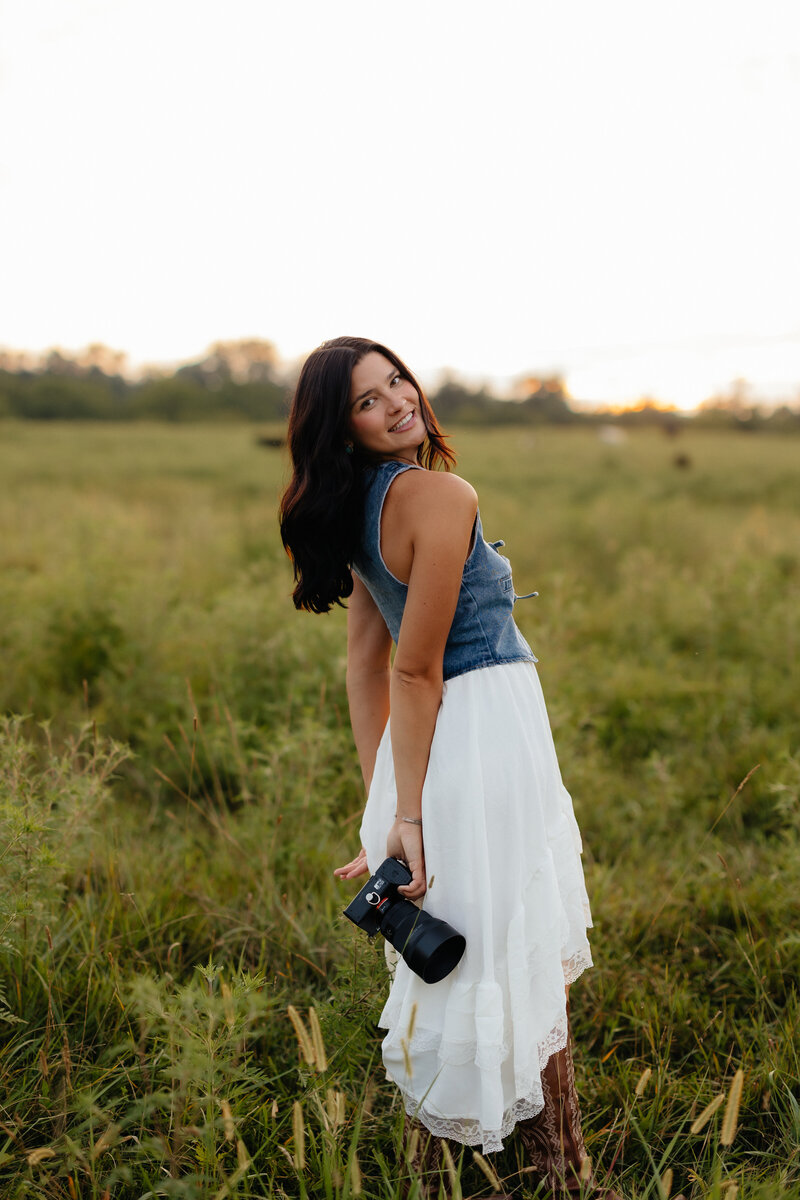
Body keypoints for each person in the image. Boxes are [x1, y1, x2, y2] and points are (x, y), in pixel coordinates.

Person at [279, 337, 620, 1199]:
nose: (398, 400)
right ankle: (560, 1173)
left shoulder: (360, 506)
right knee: (514, 946)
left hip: (432, 751)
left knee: (455, 956)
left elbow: (363, 666)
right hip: (481, 734)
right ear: (342, 428)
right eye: (367, 400)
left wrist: (388, 800)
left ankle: (450, 1169)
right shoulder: (440, 495)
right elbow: (411, 669)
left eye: (396, 379)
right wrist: (408, 815)